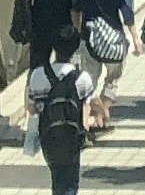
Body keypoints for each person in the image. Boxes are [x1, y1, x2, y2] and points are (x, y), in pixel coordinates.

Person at [27, 30, 103, 195]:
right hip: (72, 138)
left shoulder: (38, 74)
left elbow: (32, 109)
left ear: (54, 48)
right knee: (70, 182)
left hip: (48, 136)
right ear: (75, 49)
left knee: (57, 177)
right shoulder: (82, 78)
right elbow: (85, 120)